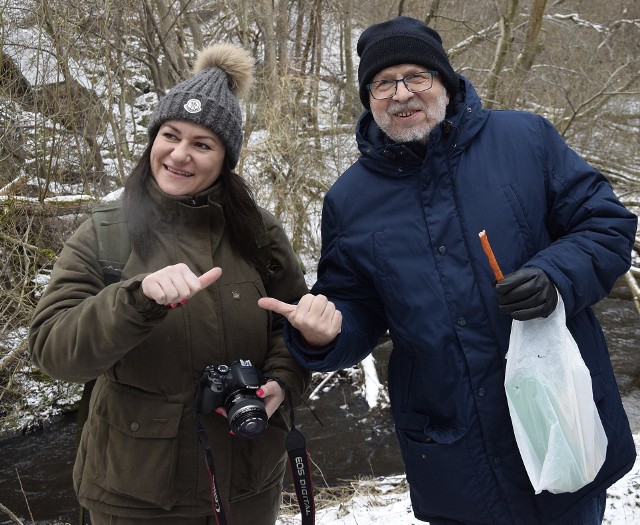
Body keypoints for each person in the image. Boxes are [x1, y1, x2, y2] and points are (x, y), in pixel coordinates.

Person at [258, 16, 638, 525]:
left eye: (417, 76)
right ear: (368, 96)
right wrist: (325, 334)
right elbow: (357, 308)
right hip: (455, 454)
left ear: (446, 80)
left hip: (560, 417)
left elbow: (606, 225)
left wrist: (556, 277)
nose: (401, 93)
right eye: (383, 82)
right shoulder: (349, 200)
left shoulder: (526, 139)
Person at [29, 42, 309, 524]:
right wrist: (134, 299)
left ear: (226, 159)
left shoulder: (258, 232)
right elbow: (54, 351)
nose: (179, 155)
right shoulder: (106, 233)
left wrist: (282, 381)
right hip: (137, 495)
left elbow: (292, 326)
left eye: (202, 144)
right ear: (153, 139)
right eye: (170, 135)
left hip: (248, 485)